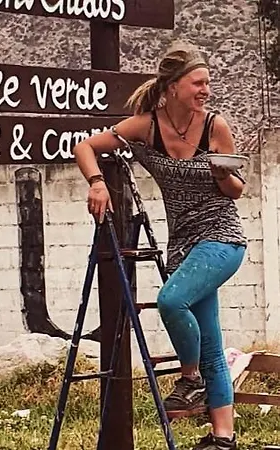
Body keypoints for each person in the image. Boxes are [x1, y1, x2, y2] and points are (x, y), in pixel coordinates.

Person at [72, 42, 247, 450]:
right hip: (183, 244)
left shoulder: (214, 126)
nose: (205, 90)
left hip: (222, 238)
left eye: (207, 83)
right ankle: (223, 438)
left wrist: (222, 174)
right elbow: (86, 146)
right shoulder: (146, 127)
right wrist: (97, 183)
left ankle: (190, 379)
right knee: (210, 342)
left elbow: (236, 190)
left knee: (170, 301)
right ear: (172, 87)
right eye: (197, 83)